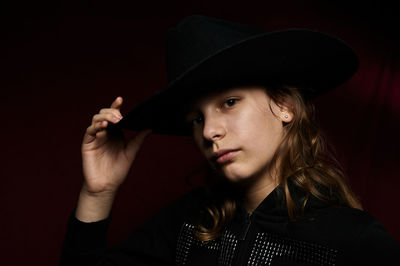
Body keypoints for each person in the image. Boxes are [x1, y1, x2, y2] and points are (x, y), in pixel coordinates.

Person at [60, 15, 399, 266]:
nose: (209, 132)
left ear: (284, 106)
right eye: (197, 118)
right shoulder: (186, 223)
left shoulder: (352, 242)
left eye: (229, 103)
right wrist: (98, 192)